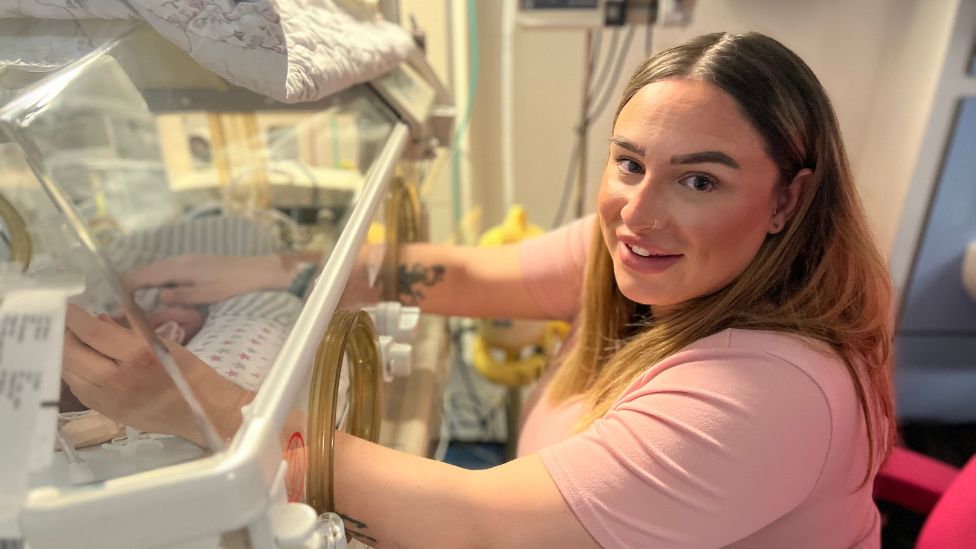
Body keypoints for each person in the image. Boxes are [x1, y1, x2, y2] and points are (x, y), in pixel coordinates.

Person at [61, 32, 894, 548]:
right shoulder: (642, 256)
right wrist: (281, 273)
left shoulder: (771, 391)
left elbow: (480, 524)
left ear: (788, 197)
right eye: (630, 163)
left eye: (700, 181)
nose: (639, 213)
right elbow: (466, 273)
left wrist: (190, 400)